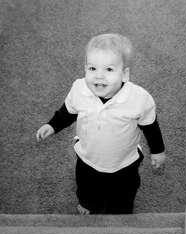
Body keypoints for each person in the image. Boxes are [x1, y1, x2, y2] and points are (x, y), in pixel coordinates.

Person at [36, 33, 165, 215]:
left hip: (124, 162)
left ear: (124, 74)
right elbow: (67, 112)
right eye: (92, 68)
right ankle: (89, 202)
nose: (99, 76)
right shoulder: (79, 88)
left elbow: (150, 125)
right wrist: (52, 126)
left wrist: (157, 150)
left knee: (124, 191)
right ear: (85, 69)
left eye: (109, 70)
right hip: (88, 157)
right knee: (87, 185)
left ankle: (120, 208)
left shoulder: (139, 98)